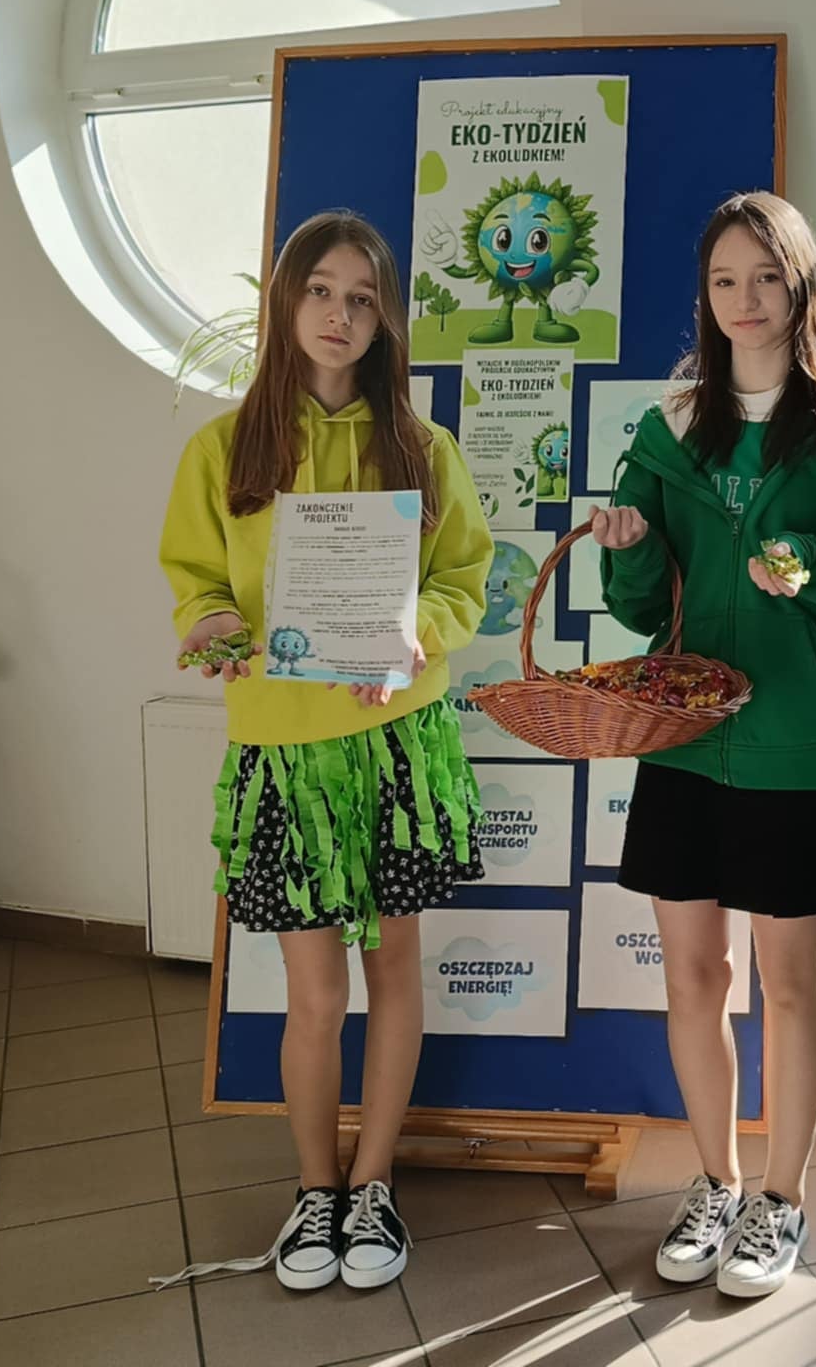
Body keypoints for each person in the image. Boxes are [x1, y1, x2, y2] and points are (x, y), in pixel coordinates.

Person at [591, 191, 816, 1298]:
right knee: (694, 977)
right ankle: (716, 1183)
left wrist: (810, 570)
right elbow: (641, 608)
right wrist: (628, 546)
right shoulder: (668, 429)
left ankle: (781, 1199)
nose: (745, 300)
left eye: (766, 278)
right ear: (706, 294)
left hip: (793, 742)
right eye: (725, 280)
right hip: (685, 740)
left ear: (800, 287)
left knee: (788, 982)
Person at [159, 209, 492, 1292]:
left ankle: (375, 1182)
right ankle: (316, 1192)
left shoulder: (424, 451)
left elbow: (462, 580)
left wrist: (414, 634)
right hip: (284, 750)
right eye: (319, 291)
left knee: (393, 973)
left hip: (398, 749)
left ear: (385, 318)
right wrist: (210, 624)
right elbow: (196, 581)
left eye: (360, 298)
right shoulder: (223, 450)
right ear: (285, 301)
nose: (339, 315)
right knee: (312, 994)